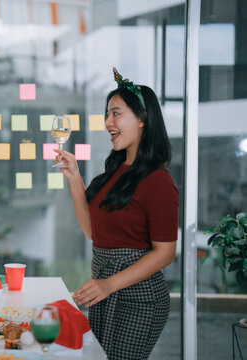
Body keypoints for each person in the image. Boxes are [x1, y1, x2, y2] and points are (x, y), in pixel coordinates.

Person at [54, 68, 179, 360]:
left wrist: (109, 284)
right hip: (104, 289)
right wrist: (74, 177)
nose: (108, 122)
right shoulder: (115, 170)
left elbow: (165, 253)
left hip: (140, 300)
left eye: (116, 113)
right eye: (107, 114)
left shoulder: (159, 180)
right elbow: (92, 233)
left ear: (142, 119)